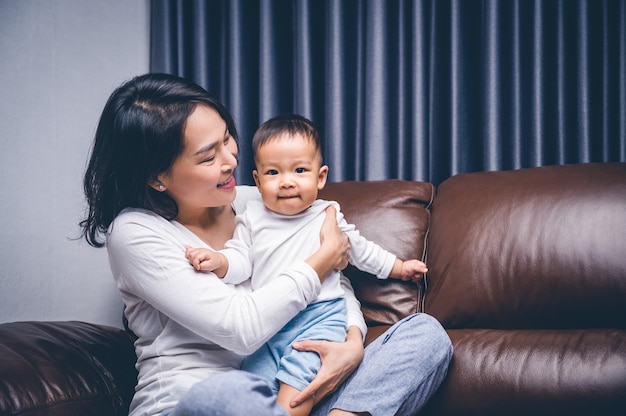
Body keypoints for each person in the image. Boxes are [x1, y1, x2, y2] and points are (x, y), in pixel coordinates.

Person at [80, 72, 452, 416]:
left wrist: (352, 344)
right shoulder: (136, 233)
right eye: (209, 156)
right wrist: (323, 257)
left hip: (294, 391)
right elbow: (241, 330)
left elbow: (332, 283)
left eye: (227, 138)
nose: (232, 159)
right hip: (201, 403)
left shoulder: (257, 201)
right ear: (157, 177)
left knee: (426, 336)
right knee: (223, 393)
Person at [185, 114, 430, 416]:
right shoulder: (251, 216)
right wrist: (219, 261)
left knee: (297, 385)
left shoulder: (326, 214)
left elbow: (361, 251)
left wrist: (399, 267)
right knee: (252, 381)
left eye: (300, 170)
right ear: (258, 181)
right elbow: (241, 259)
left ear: (321, 177)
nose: (287, 181)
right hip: (269, 328)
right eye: (273, 172)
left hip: (319, 318)